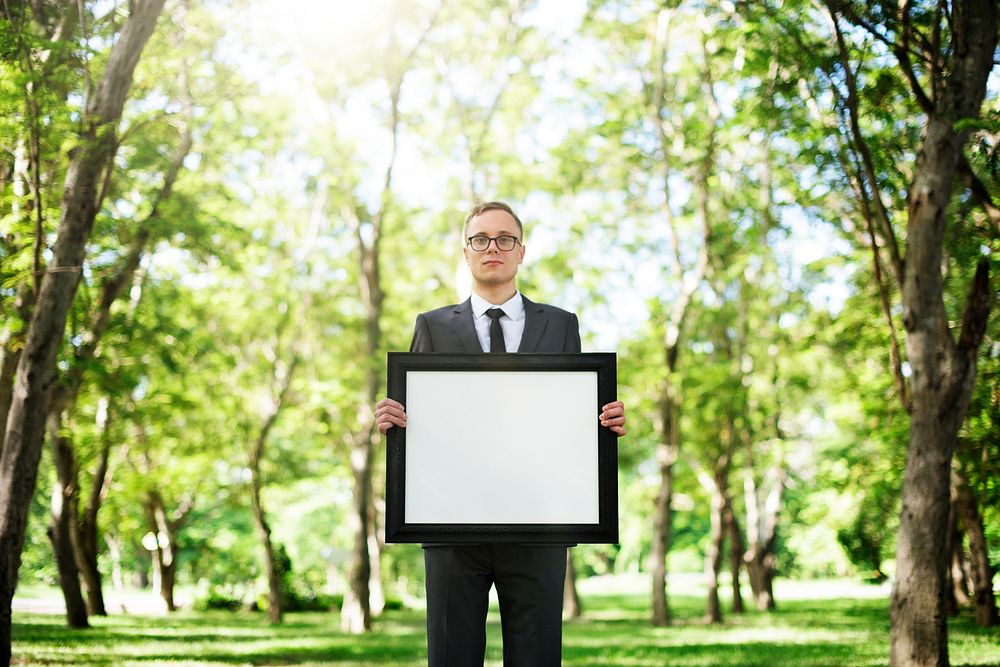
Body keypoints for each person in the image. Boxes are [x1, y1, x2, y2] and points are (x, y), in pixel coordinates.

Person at [375, 201, 626, 666]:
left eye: (505, 238)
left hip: (539, 525)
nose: (493, 247)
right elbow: (418, 418)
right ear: (466, 252)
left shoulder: (561, 324)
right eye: (480, 239)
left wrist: (603, 422)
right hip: (450, 526)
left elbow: (571, 417)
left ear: (521, 251)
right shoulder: (431, 326)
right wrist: (394, 419)